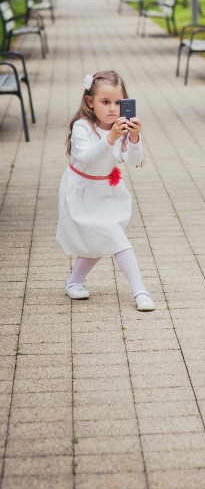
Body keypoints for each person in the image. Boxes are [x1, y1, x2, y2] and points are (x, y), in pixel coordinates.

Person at [57, 69, 155, 311]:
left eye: (119, 103)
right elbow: (89, 159)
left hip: (106, 189)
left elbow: (133, 160)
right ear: (90, 102)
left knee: (103, 236)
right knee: (109, 235)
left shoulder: (121, 128)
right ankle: (140, 292)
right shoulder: (83, 126)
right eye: (105, 102)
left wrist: (133, 138)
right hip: (82, 190)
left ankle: (75, 281)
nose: (113, 109)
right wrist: (110, 137)